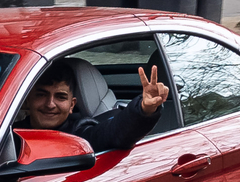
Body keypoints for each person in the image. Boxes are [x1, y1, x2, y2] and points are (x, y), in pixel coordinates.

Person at [17, 61, 169, 152]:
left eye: (60, 97)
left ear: (72, 105)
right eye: (41, 95)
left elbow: (114, 133)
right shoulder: (5, 135)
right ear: (27, 100)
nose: (50, 104)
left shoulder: (80, 135)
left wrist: (144, 109)